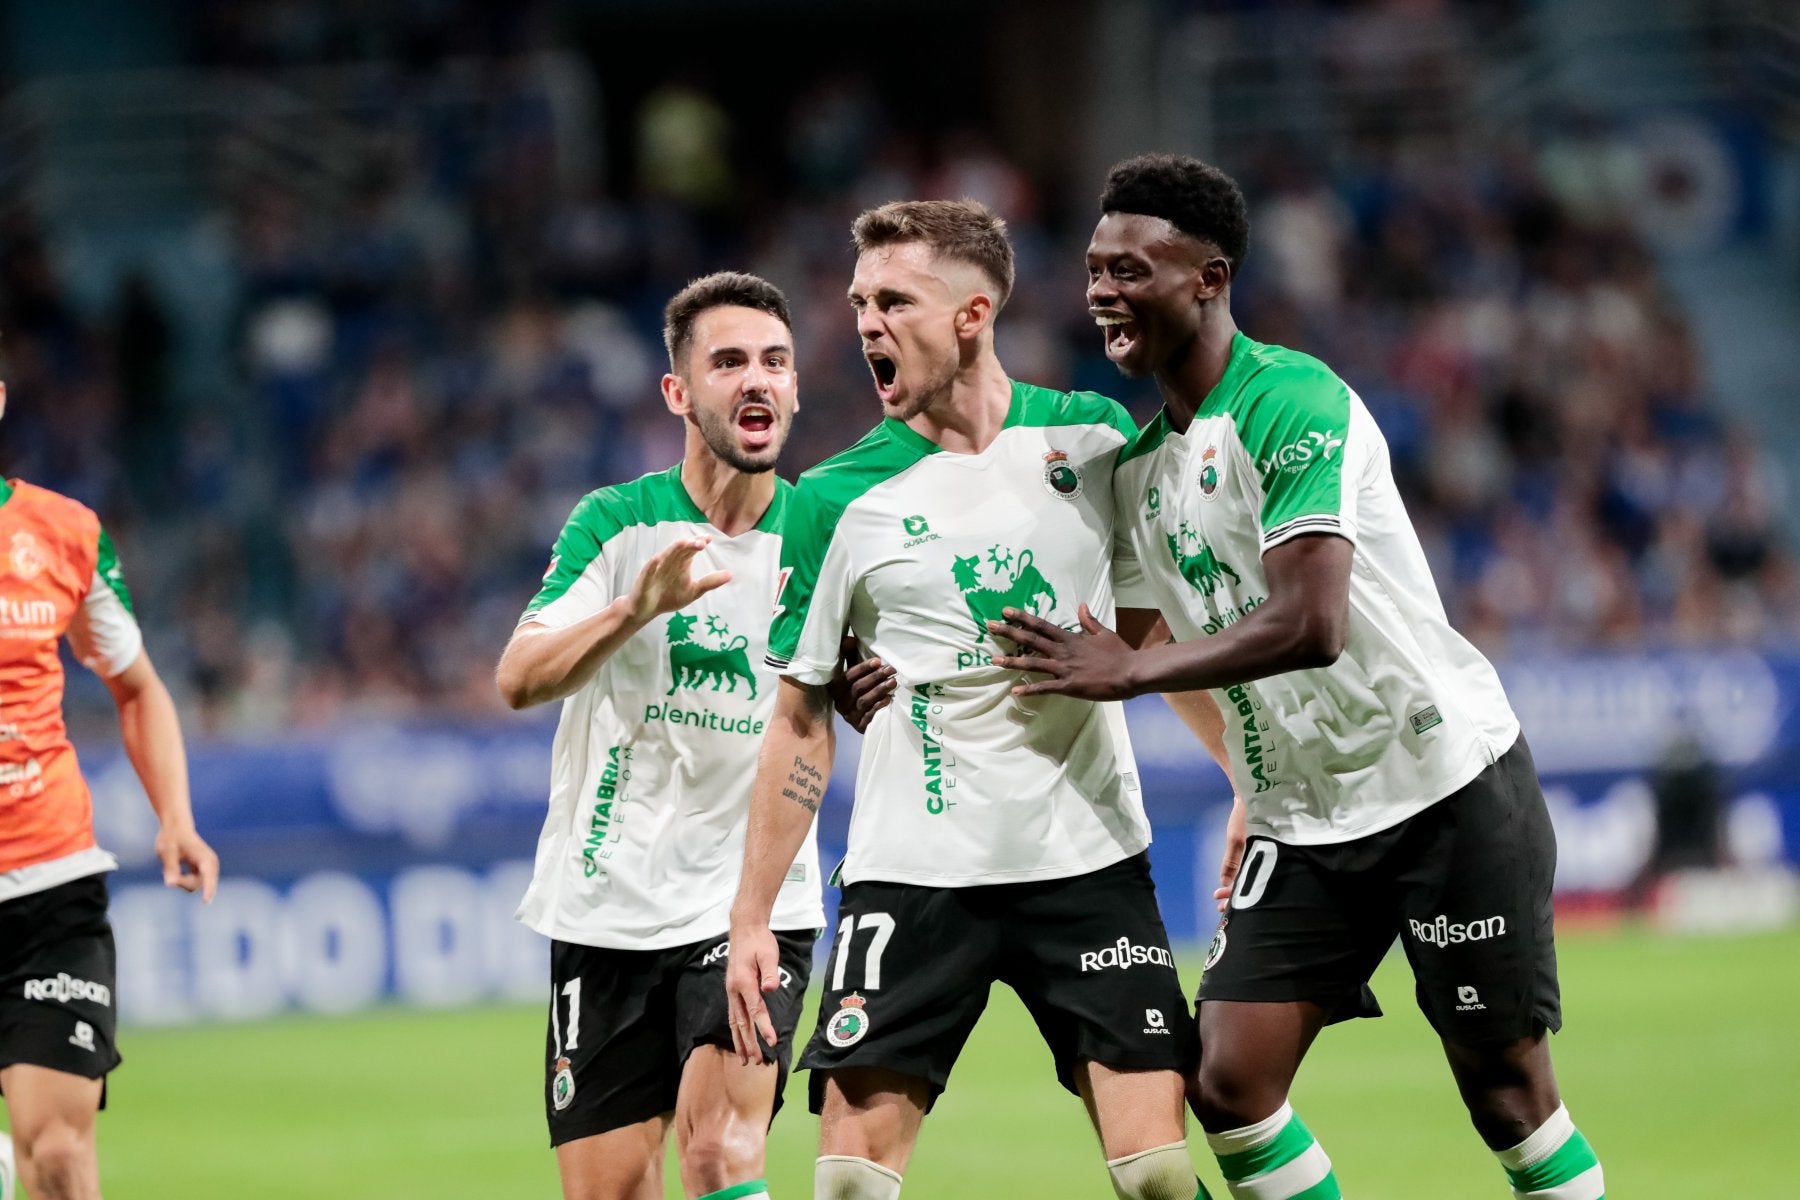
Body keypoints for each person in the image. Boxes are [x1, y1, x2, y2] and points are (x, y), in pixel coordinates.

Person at [991, 153, 1607, 1200]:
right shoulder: (1138, 472)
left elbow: (1310, 622)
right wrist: (1236, 769)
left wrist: (1128, 673)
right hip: (1305, 819)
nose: (1102, 289)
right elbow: (1138, 645)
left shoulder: (1292, 400)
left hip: (1443, 786)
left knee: (1506, 1091)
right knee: (1228, 1081)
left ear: (1210, 278)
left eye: (1132, 268)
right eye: (1095, 269)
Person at [725, 200, 1208, 1200]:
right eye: (860, 302)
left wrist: (1243, 779)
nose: (866, 323)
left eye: (895, 299)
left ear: (972, 314)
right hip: (913, 872)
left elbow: (1145, 635)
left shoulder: (1093, 438)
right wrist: (750, 916)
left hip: (1086, 857)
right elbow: (801, 713)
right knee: (850, 1187)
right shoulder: (831, 500)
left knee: (1159, 1176)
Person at [495, 271, 826, 1200]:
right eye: (728, 363)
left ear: (796, 388)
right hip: (605, 903)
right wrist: (634, 612)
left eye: (775, 362)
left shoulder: (824, 533)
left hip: (751, 905)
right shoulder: (616, 523)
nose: (756, 380)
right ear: (679, 393)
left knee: (720, 1150)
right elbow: (518, 678)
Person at [0, 375, 220, 1200]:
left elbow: (137, 686)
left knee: (55, 1157)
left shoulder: (63, 532)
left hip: (47, 890)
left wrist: (175, 817)